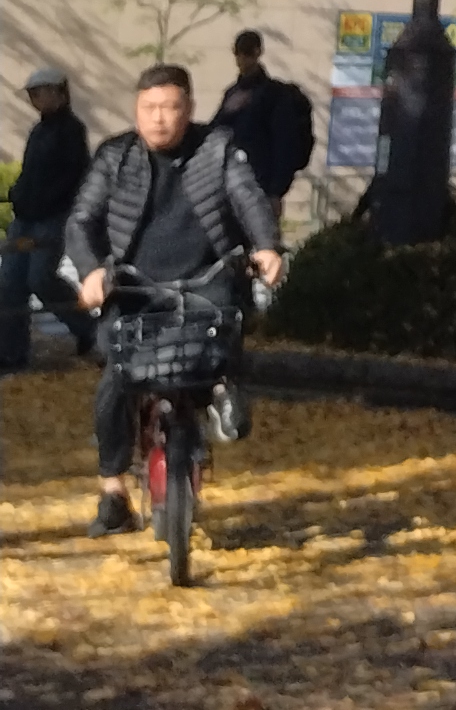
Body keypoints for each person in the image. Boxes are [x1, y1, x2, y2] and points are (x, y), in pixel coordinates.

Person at [66, 64, 284, 534]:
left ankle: (225, 391)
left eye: (170, 107)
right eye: (149, 108)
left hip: (205, 283)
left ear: (189, 109)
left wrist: (266, 245)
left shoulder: (218, 148)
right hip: (134, 288)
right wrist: (91, 273)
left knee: (223, 339)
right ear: (136, 110)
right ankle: (113, 491)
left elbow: (248, 197)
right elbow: (82, 220)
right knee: (114, 383)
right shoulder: (115, 156)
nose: (159, 118)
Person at [0, 65, 96, 372]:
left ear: (58, 92)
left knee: (40, 278)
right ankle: (12, 355)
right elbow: (31, 175)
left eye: (37, 92)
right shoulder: (39, 131)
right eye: (31, 94)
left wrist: (42, 201)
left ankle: (87, 330)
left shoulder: (72, 130)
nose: (33, 99)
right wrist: (19, 193)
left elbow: (73, 177)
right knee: (11, 283)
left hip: (52, 217)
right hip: (27, 217)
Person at [211, 30, 317, 204]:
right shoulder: (233, 94)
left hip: (261, 184)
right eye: (239, 54)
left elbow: (284, 144)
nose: (242, 60)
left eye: (247, 53)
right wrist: (227, 112)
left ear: (258, 52)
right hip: (230, 182)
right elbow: (214, 134)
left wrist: (276, 191)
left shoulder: (275, 95)